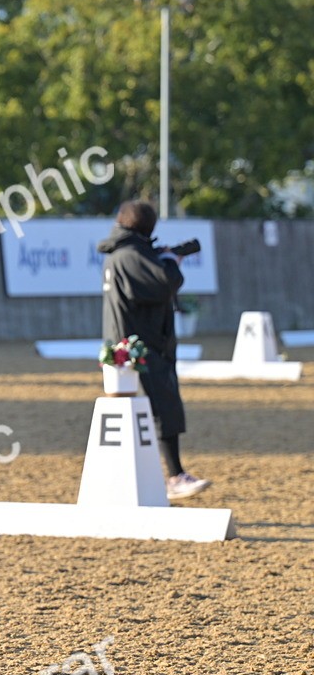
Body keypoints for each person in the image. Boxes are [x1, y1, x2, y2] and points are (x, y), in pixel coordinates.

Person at [99, 200, 211, 500]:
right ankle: (175, 475)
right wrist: (172, 260)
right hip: (142, 344)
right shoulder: (133, 254)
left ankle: (168, 474)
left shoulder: (120, 252)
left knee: (148, 409)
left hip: (125, 343)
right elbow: (166, 283)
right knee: (164, 407)